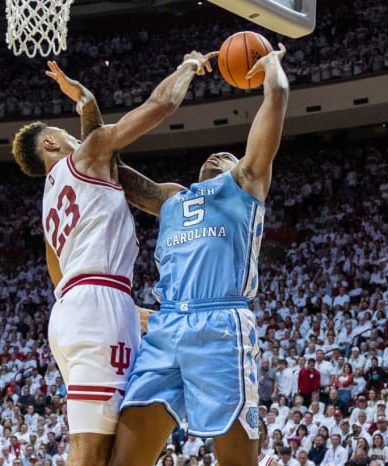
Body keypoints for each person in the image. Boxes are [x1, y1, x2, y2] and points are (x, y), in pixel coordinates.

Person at [11, 51, 217, 466]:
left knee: (101, 448)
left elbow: (59, 279)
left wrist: (87, 102)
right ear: (51, 143)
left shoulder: (52, 199)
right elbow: (160, 105)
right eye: (64, 131)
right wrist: (188, 66)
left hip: (72, 310)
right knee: (93, 453)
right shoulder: (86, 157)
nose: (76, 135)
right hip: (99, 307)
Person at [109, 44, 289, 466]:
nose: (217, 154)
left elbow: (276, 100)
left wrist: (272, 68)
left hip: (220, 324)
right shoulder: (173, 197)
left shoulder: (244, 184)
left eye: (228, 154)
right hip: (166, 324)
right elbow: (109, 164)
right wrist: (184, 69)